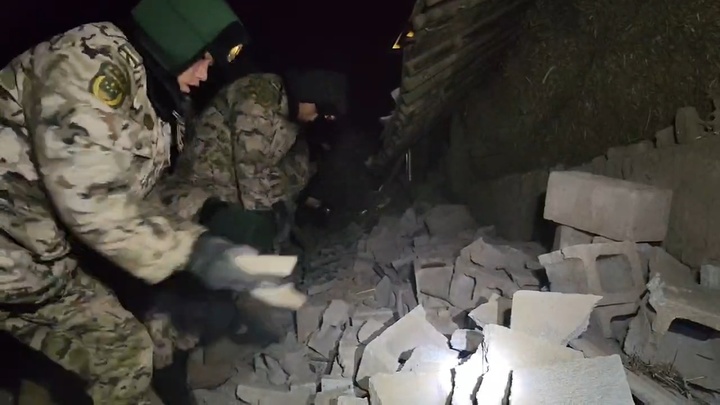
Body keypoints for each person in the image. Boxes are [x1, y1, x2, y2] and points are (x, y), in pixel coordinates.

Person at [0, 0, 299, 403]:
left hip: (40, 261)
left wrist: (210, 213)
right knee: (117, 352)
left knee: (124, 351)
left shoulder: (159, 104)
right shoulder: (88, 63)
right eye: (203, 58)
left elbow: (146, 190)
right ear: (175, 38)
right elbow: (91, 199)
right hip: (14, 255)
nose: (206, 73)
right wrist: (197, 252)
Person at [158, 69, 348, 248]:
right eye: (319, 110)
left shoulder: (289, 117)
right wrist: (260, 227)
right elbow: (250, 170)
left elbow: (277, 172)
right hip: (206, 183)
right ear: (307, 97)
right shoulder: (259, 100)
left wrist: (285, 204)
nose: (315, 118)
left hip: (232, 182)